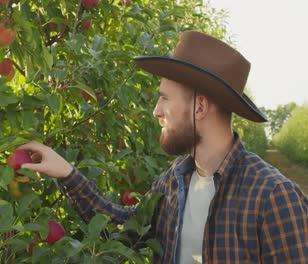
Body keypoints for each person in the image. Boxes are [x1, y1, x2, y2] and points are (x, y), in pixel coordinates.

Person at [17, 31, 308, 263]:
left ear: (200, 107)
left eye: (165, 99)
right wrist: (67, 173)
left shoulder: (273, 197)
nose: (156, 111)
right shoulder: (175, 180)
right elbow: (126, 231)